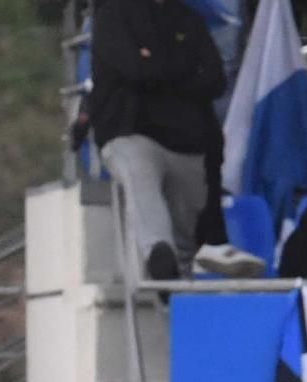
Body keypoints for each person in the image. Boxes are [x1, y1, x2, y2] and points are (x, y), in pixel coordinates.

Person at [91, 0, 227, 279]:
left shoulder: (189, 19)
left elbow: (215, 79)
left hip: (188, 143)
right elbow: (133, 69)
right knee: (142, 184)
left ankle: (174, 287)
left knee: (187, 237)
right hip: (131, 132)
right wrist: (185, 68)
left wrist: (153, 64)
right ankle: (158, 254)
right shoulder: (112, 16)